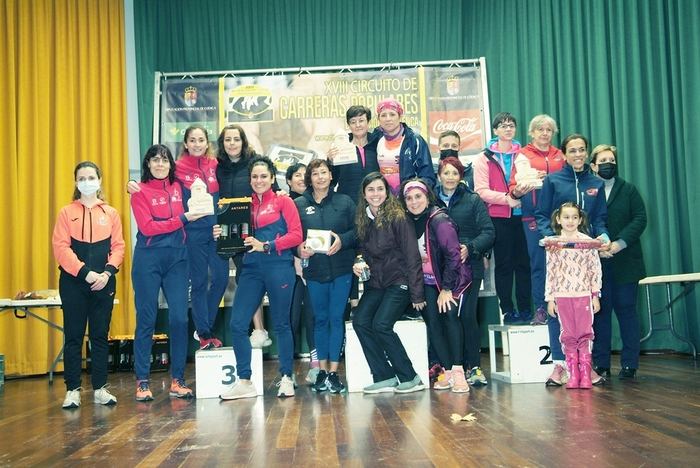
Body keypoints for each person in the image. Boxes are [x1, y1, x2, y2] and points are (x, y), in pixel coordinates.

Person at [220, 156, 302, 400]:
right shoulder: (242, 206)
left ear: (272, 178)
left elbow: (296, 235)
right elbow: (234, 239)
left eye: (263, 176)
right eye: (254, 176)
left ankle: (286, 377)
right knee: (237, 323)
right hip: (251, 270)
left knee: (281, 324)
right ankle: (244, 381)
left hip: (279, 267)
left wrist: (267, 245)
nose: (258, 180)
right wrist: (222, 232)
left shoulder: (283, 201)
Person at [536, 133, 610, 387]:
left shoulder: (596, 184)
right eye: (572, 150)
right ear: (564, 154)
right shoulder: (553, 181)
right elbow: (542, 215)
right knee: (558, 312)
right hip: (559, 258)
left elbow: (599, 219)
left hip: (585, 261)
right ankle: (560, 366)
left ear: (586, 153)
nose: (578, 154)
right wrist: (552, 241)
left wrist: (604, 237)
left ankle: (585, 368)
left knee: (587, 316)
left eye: (582, 150)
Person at [131, 145, 204, 401]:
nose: (160, 165)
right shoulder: (139, 191)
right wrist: (183, 219)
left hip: (177, 259)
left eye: (164, 160)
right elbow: (148, 228)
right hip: (148, 260)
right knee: (147, 319)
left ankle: (178, 379)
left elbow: (203, 190)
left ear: (170, 164)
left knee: (180, 319)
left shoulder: (179, 187)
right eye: (155, 160)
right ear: (148, 164)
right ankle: (142, 381)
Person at [52, 162, 125, 408]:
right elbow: (60, 248)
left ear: (99, 180)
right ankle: (72, 389)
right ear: (75, 183)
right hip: (74, 283)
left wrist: (106, 274)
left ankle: (100, 388)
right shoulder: (66, 212)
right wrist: (85, 273)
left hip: (104, 282)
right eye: (81, 178)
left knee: (100, 336)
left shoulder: (111, 213)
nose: (86, 181)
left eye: (91, 177)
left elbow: (119, 247)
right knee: (73, 336)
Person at [351, 172, 426, 394]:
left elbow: (412, 256)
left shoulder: (397, 217)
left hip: (399, 281)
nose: (376, 194)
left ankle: (410, 377)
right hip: (377, 283)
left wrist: (417, 294)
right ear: (364, 194)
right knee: (361, 321)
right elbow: (361, 250)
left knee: (381, 325)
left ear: (387, 192)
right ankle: (383, 376)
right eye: (371, 190)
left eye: (380, 189)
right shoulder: (363, 219)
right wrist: (359, 261)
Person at [399, 178, 472, 393]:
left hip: (451, 279)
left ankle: (459, 372)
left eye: (418, 197)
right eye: (409, 198)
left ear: (427, 197)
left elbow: (453, 256)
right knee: (433, 323)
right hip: (427, 281)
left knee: (449, 317)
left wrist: (447, 289)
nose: (414, 202)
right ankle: (447, 371)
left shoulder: (440, 220)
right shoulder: (405, 222)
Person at [295, 159, 356, 393]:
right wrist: (298, 249)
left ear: (331, 176)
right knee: (320, 320)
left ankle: (334, 372)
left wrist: (343, 240)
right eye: (315, 173)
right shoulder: (298, 204)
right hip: (314, 272)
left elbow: (358, 231)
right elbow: (293, 238)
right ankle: (321, 372)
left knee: (336, 318)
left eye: (324, 172)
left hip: (341, 270)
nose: (320, 177)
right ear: (309, 178)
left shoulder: (345, 201)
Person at [436, 157, 495, 386]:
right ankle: (451, 367)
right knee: (447, 318)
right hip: (442, 271)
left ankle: (475, 367)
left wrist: (469, 248)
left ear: (461, 176)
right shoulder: (431, 200)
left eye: (455, 173)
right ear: (439, 175)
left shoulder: (473, 200)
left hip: (470, 268)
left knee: (467, 317)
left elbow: (488, 233)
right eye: (446, 173)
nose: (450, 177)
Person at [590, 145, 647, 380]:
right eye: (602, 160)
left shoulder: (629, 189)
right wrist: (597, 246)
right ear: (593, 165)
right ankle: (601, 364)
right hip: (596, 262)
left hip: (625, 260)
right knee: (600, 315)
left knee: (627, 311)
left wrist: (619, 243)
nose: (608, 164)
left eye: (611, 160)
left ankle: (629, 364)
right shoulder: (587, 189)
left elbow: (640, 218)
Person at [216, 124, 275, 349]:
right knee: (241, 279)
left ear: (243, 142)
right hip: (226, 232)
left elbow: (271, 188)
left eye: (236, 139)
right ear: (222, 143)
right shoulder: (217, 167)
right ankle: (256, 329)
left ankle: (260, 329)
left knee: (253, 277)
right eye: (228, 140)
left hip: (253, 229)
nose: (232, 143)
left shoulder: (254, 162)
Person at [473, 112, 533, 324]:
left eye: (511, 125)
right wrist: (506, 199)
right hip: (498, 217)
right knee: (505, 265)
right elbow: (480, 191)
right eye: (503, 126)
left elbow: (530, 182)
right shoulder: (484, 158)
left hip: (524, 218)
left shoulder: (523, 156)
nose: (508, 129)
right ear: (496, 130)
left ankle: (526, 309)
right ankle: (507, 310)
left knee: (525, 265)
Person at [509, 115, 566, 325]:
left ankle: (563, 307)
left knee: (562, 263)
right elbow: (514, 185)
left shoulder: (560, 155)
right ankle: (541, 308)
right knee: (539, 264)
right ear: (532, 132)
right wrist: (528, 183)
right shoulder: (523, 155)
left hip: (562, 219)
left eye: (549, 130)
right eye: (540, 129)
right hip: (532, 216)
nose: (544, 133)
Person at [176, 125, 229, 350]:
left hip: (216, 231)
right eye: (192, 140)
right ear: (186, 143)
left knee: (221, 278)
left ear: (207, 143)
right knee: (198, 283)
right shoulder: (177, 168)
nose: (197, 144)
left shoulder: (215, 165)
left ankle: (202, 327)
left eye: (201, 140)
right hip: (193, 234)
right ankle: (205, 332)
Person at [544, 202, 602, 389]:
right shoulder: (553, 244)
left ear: (580, 219)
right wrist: (550, 298)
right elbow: (550, 272)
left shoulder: (588, 243)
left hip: (583, 295)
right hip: (562, 296)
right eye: (566, 217)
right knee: (568, 334)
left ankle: (585, 373)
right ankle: (573, 374)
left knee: (584, 333)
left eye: (574, 217)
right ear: (559, 220)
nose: (570, 221)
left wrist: (595, 295)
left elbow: (595, 270)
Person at [285, 163, 319, 383]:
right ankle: (288, 371)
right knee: (290, 320)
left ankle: (315, 366)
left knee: (313, 318)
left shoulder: (316, 200)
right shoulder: (284, 201)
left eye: (304, 174)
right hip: (290, 271)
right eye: (297, 175)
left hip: (314, 270)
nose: (302, 178)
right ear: (288, 180)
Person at [370, 98, 436, 195]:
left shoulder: (414, 140)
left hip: (409, 200)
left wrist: (414, 196)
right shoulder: (375, 139)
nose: (388, 119)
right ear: (378, 119)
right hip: (385, 200)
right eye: (383, 115)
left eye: (392, 114)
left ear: (400, 116)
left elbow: (427, 176)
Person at [327, 105, 379, 203]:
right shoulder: (340, 146)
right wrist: (330, 161)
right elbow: (332, 180)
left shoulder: (378, 143)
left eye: (361, 120)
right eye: (353, 122)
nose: (358, 125)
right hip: (347, 202)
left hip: (375, 201)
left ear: (368, 122)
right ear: (348, 125)